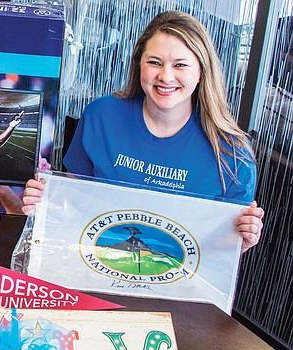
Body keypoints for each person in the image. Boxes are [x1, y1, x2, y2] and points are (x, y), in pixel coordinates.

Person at [22, 11, 264, 253]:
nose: (166, 77)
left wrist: (242, 241)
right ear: (139, 64)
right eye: (154, 62)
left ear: (201, 71)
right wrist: (45, 202)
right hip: (92, 265)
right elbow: (72, 203)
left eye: (180, 65)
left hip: (177, 282)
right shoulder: (101, 116)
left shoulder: (233, 153)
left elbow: (221, 251)